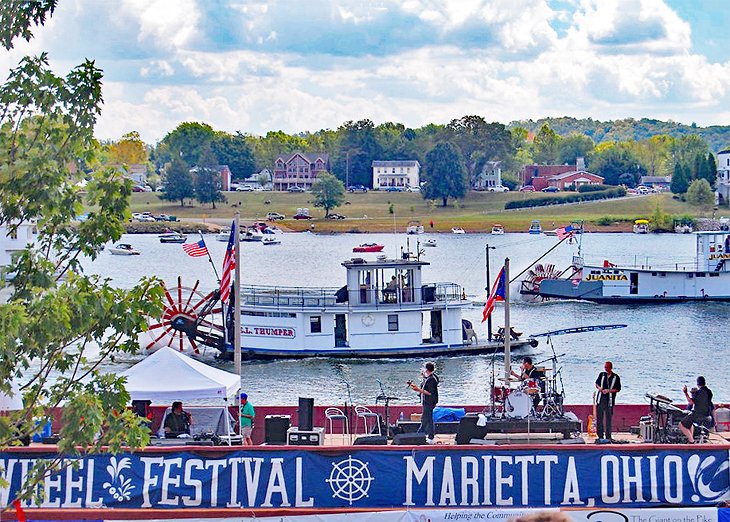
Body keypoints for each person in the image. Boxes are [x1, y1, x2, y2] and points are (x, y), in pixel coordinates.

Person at [408, 361, 439, 444]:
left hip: (429, 402)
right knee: (429, 419)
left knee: (425, 419)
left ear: (427, 369)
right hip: (426, 401)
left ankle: (418, 436)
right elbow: (425, 386)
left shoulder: (432, 380)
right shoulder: (429, 378)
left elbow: (430, 393)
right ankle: (430, 436)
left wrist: (418, 390)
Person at [680, 376, 713, 443]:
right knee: (689, 423)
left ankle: (691, 441)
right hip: (707, 414)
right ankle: (691, 439)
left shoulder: (699, 392)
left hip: (698, 414)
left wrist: (685, 392)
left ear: (698, 384)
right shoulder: (709, 392)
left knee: (681, 424)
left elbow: (691, 402)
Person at [595, 361, 621, 442]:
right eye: (605, 367)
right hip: (601, 399)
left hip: (609, 400)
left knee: (608, 419)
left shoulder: (616, 377)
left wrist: (609, 391)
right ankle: (600, 436)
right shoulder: (602, 375)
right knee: (599, 418)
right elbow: (596, 384)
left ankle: (608, 436)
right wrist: (600, 388)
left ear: (610, 368)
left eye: (607, 367)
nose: (605, 369)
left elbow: (618, 389)